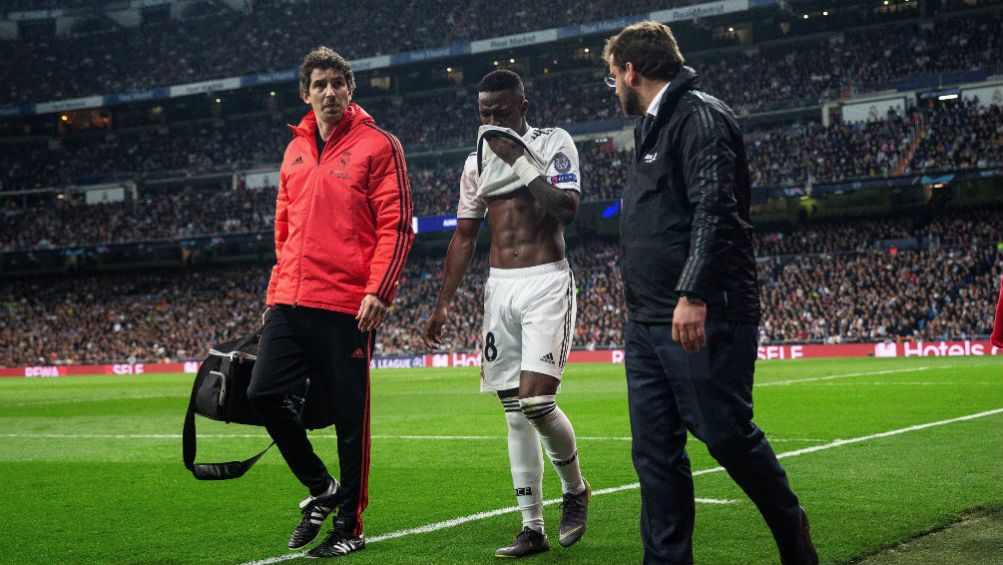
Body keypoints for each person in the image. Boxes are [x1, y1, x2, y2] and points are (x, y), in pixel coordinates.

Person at [602, 21, 818, 565]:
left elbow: (716, 210)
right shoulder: (653, 126)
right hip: (647, 321)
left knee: (724, 434)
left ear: (631, 70)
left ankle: (794, 537)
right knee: (655, 456)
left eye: (613, 76)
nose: (614, 88)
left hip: (703, 312)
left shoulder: (699, 116)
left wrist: (693, 293)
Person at [247, 46, 413, 559]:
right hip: (291, 300)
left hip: (347, 306)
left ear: (351, 89)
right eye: (319, 84)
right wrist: (276, 293)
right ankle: (322, 489)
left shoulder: (379, 145)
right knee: (262, 394)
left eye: (337, 82)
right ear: (305, 94)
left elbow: (397, 225)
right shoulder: (294, 150)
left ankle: (350, 526)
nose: (329, 92)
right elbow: (283, 227)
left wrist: (378, 291)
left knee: (349, 417)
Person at [421, 69, 590, 558]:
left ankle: (575, 490)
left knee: (538, 403)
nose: (491, 122)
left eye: (500, 112)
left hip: (546, 282)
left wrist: (518, 158)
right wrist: (443, 303)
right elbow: (466, 236)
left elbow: (567, 208)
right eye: (483, 114)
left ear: (523, 107)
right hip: (501, 290)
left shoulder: (553, 142)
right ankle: (532, 527)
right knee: (515, 414)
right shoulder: (473, 164)